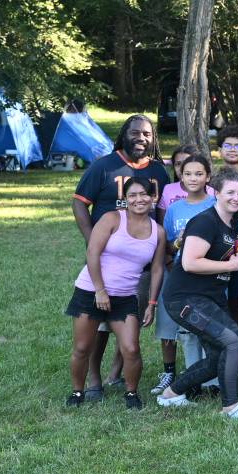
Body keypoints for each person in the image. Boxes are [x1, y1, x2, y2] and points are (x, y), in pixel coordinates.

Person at [72, 114, 171, 398]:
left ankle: (116, 374)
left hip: (142, 260)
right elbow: (79, 204)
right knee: (100, 323)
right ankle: (93, 380)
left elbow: (162, 211)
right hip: (108, 260)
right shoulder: (104, 166)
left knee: (130, 319)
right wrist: (94, 241)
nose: (141, 138)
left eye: (148, 134)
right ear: (124, 135)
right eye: (135, 133)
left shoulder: (159, 171)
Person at [156, 168, 238, 418]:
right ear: (217, 193)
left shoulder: (233, 223)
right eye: (230, 192)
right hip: (185, 299)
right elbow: (190, 262)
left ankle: (171, 395)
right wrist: (230, 266)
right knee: (234, 340)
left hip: (210, 298)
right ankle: (231, 406)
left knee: (217, 356)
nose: (236, 197)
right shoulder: (205, 221)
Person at [66, 176, 163, 409]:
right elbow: (92, 252)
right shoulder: (111, 219)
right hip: (91, 290)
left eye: (143, 195)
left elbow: (158, 268)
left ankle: (131, 393)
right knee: (82, 347)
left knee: (131, 348)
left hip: (125, 296)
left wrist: (151, 302)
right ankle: (78, 392)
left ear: (153, 198)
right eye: (133, 195)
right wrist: (100, 290)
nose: (139, 199)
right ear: (125, 199)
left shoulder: (157, 232)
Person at [154, 151, 214, 393]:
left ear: (208, 176)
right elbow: (168, 245)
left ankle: (212, 381)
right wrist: (178, 243)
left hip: (209, 274)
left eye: (199, 173)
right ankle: (193, 380)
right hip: (184, 275)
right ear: (180, 175)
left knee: (210, 328)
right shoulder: (174, 209)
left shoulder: (215, 204)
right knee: (188, 330)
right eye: (188, 173)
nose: (193, 178)